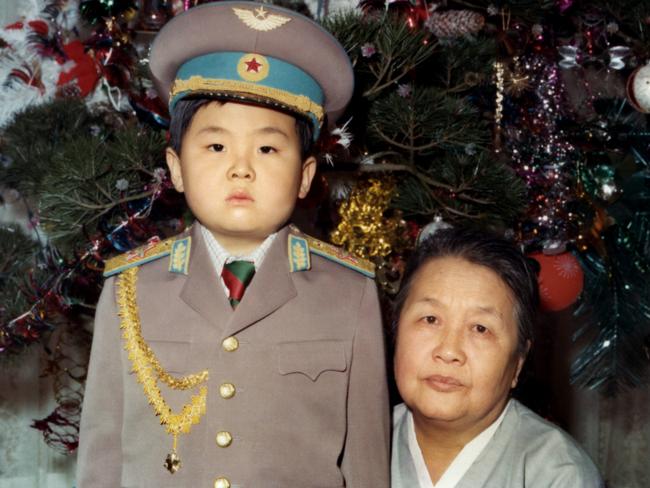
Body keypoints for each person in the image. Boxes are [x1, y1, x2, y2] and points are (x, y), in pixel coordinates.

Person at [76, 3, 390, 487]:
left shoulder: (348, 293)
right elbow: (102, 459)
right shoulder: (131, 289)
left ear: (305, 176)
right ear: (177, 167)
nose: (241, 168)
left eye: (267, 149)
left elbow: (367, 466)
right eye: (216, 146)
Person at [391, 226, 603, 488]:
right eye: (430, 319)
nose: (448, 351)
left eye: (480, 329)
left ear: (518, 362)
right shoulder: (356, 439)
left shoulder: (559, 475)